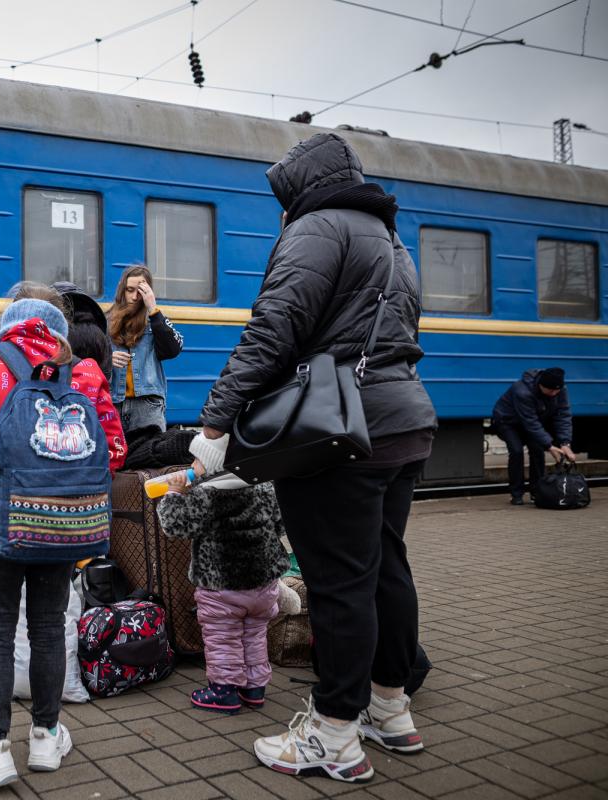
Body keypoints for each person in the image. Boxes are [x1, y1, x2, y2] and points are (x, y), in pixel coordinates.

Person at [199, 132, 437, 783]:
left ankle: (333, 734)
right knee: (387, 569)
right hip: (403, 424)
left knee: (339, 584)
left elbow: (274, 328)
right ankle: (390, 709)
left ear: (301, 186)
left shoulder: (317, 228)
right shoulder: (392, 242)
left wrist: (217, 419)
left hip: (339, 435)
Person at [0, 292, 126, 789]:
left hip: (2, 519)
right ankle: (45, 736)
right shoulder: (83, 372)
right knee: (46, 625)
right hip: (64, 523)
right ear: (58, 330)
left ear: (8, 325)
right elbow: (115, 450)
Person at [157, 435, 292, 714]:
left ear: (212, 464)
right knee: (254, 634)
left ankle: (224, 691)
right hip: (263, 584)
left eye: (197, 459)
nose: (192, 465)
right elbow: (280, 525)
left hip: (221, 587)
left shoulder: (206, 494)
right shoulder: (264, 486)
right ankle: (254, 688)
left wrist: (173, 494)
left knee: (223, 638)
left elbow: (175, 526)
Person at [107, 266, 183, 434]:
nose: (134, 297)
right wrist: (108, 358)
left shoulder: (155, 319)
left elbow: (173, 349)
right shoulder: (106, 321)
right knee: (115, 459)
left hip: (147, 405)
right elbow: (90, 358)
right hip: (113, 403)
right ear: (122, 290)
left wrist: (153, 308)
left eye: (140, 291)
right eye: (130, 290)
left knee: (148, 457)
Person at [490, 367, 576, 505]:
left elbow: (563, 415)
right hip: (508, 422)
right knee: (516, 451)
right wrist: (549, 445)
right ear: (541, 385)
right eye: (551, 390)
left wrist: (565, 443)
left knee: (537, 451)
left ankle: (537, 492)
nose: (554, 394)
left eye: (557, 390)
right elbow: (530, 423)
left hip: (532, 421)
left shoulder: (560, 390)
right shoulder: (522, 391)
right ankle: (516, 494)